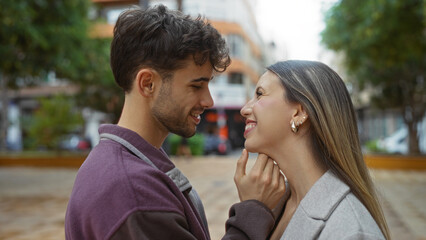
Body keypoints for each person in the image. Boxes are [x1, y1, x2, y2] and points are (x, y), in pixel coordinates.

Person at [65, 5, 285, 240]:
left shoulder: (124, 164)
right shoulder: (134, 194)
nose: (208, 100)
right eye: (196, 86)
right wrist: (254, 210)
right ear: (148, 83)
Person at [238, 60, 391, 239]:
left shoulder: (350, 232)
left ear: (300, 112)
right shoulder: (273, 204)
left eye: (259, 94)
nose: (244, 109)